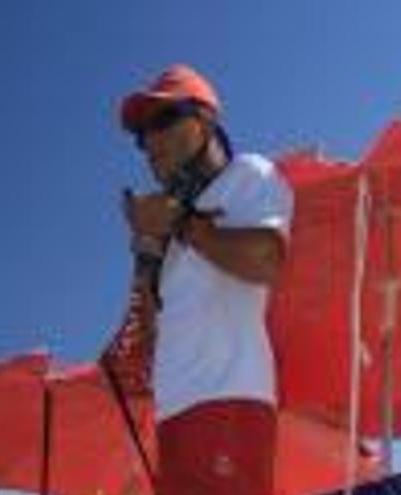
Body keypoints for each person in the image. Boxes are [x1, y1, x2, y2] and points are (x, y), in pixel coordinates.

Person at [118, 64, 294, 495]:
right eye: (141, 135)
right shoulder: (176, 231)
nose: (150, 143)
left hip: (228, 401)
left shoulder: (248, 174)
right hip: (175, 413)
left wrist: (180, 221)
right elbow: (151, 334)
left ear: (205, 120)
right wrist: (146, 259)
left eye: (161, 121)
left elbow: (268, 260)